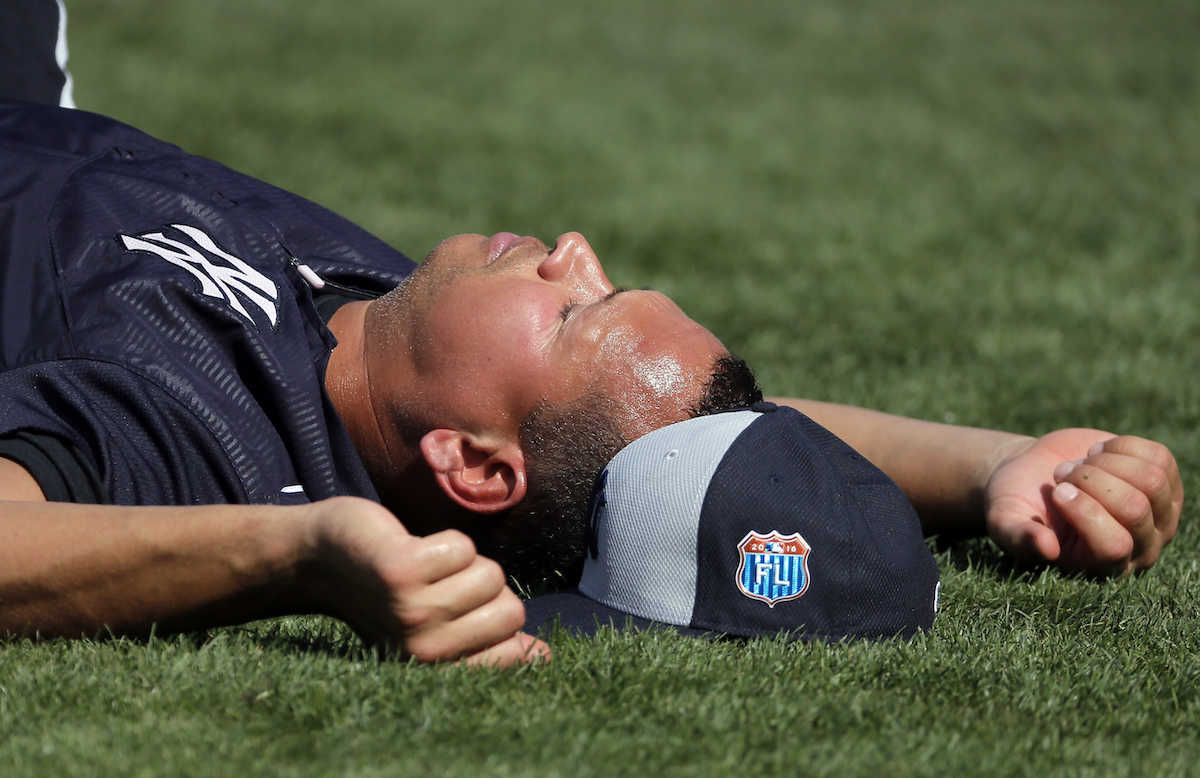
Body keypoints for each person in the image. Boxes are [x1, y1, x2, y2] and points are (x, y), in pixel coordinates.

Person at [0, 102, 1183, 666]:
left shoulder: (200, 443)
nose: (570, 247)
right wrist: (990, 468)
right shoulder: (416, 352)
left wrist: (298, 555)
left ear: (475, 462)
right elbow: (695, 444)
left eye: (576, 310)